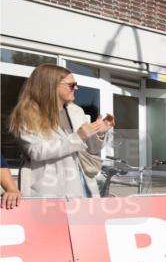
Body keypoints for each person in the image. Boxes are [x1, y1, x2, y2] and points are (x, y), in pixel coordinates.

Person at [9, 64, 113, 198]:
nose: (76, 88)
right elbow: (37, 151)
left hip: (82, 182)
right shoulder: (28, 114)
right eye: (71, 84)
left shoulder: (76, 111)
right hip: (49, 187)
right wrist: (78, 137)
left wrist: (99, 131)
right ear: (51, 86)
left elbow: (89, 150)